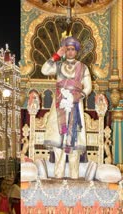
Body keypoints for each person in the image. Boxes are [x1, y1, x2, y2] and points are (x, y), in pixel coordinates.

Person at [41, 35, 92, 179]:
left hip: (75, 107)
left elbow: (88, 87)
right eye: (67, 49)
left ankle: (74, 179)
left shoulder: (83, 67)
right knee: (59, 145)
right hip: (59, 106)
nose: (70, 52)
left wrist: (77, 97)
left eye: (72, 49)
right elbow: (44, 70)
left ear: (76, 51)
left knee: (74, 146)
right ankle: (58, 177)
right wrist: (57, 55)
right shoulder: (58, 65)